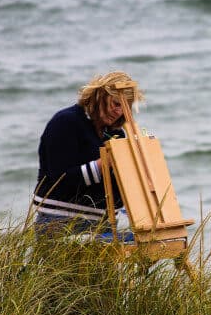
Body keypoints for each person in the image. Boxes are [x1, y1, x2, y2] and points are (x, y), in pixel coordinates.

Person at [33, 71, 143, 240]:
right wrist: (102, 165)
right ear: (100, 95)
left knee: (150, 241)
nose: (119, 112)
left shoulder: (116, 134)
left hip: (101, 225)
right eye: (115, 103)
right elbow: (58, 180)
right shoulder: (66, 122)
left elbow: (114, 196)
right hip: (59, 222)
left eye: (125, 107)